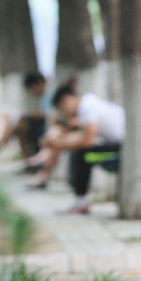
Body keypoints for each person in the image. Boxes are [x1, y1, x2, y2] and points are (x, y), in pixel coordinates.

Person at [29, 84, 125, 214]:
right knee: (81, 151)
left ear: (66, 100)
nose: (65, 114)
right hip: (120, 145)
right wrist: (59, 142)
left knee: (83, 154)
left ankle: (80, 201)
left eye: (62, 109)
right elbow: (84, 136)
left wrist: (59, 145)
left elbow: (87, 141)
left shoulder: (87, 107)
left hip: (122, 150)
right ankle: (78, 198)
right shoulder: (89, 102)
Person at [0, 72, 50, 162]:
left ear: (39, 84)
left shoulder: (49, 97)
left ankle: (2, 143)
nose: (32, 91)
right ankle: (4, 143)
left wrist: (32, 115)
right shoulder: (39, 98)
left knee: (20, 125)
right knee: (18, 125)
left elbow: (49, 115)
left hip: (45, 126)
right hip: (37, 125)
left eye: (33, 88)